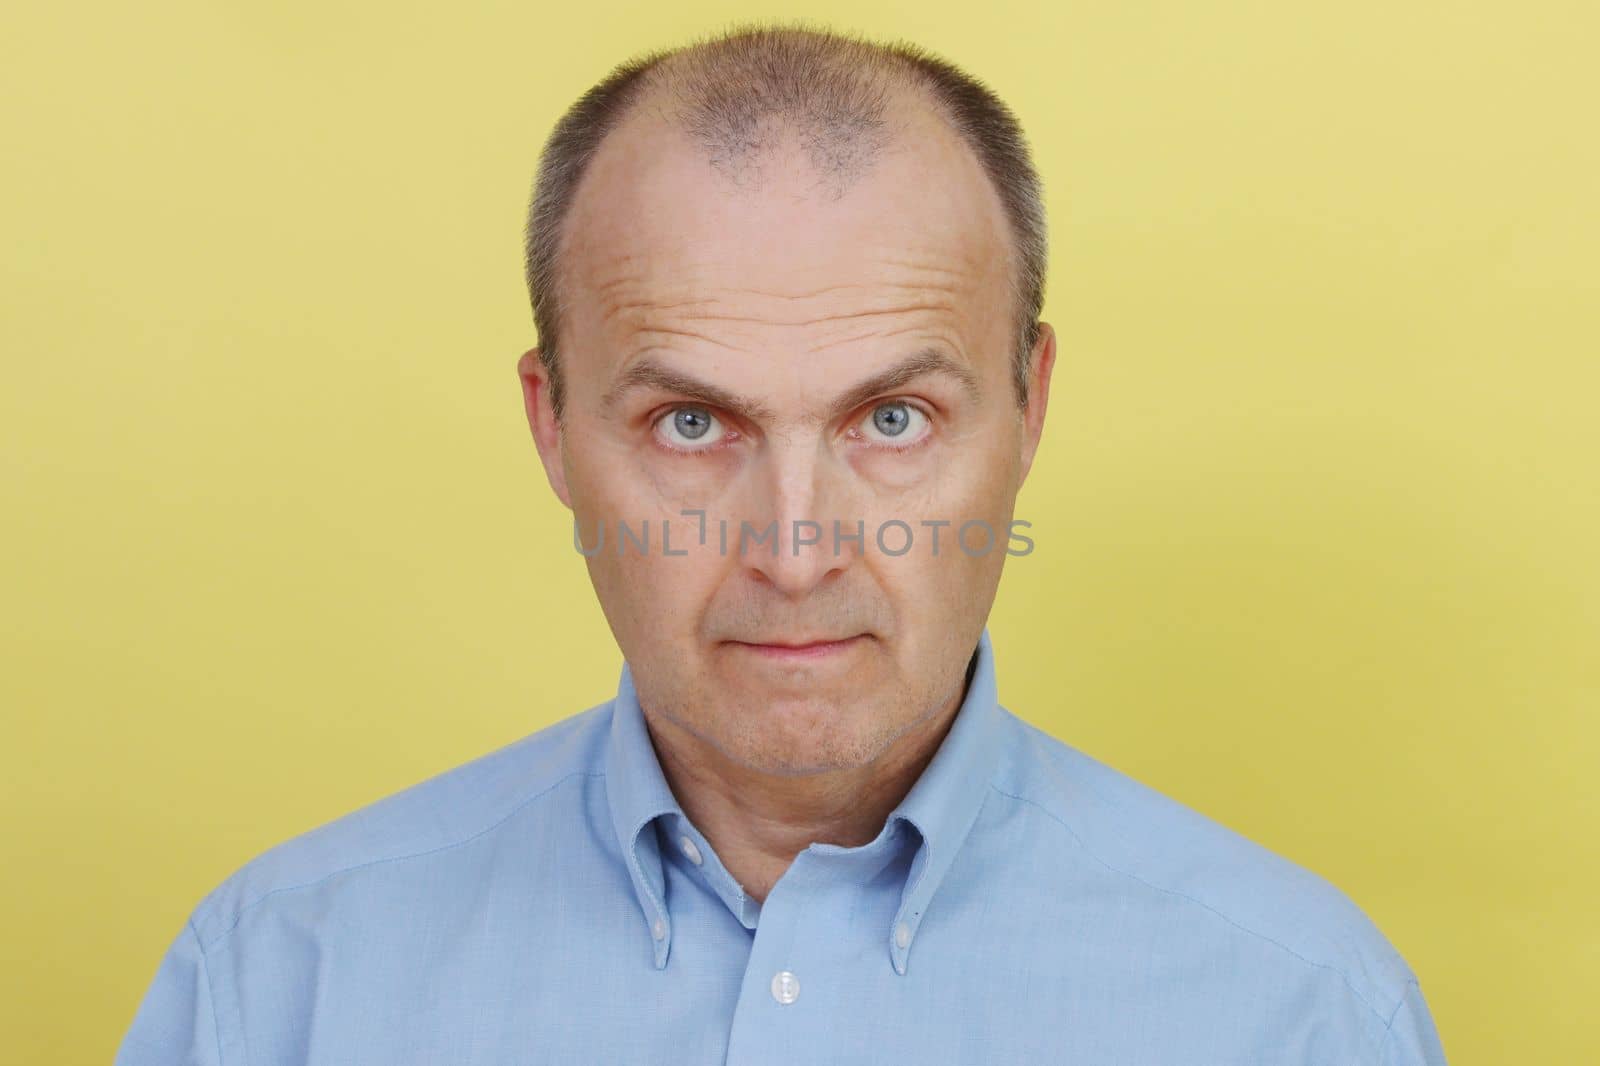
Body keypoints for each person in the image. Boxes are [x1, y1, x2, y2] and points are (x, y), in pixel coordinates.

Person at [116, 23, 1448, 1065]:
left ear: (1028, 406)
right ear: (554, 423)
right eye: (692, 420)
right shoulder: (280, 984)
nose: (798, 549)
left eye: (892, 416)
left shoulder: (1303, 1013)